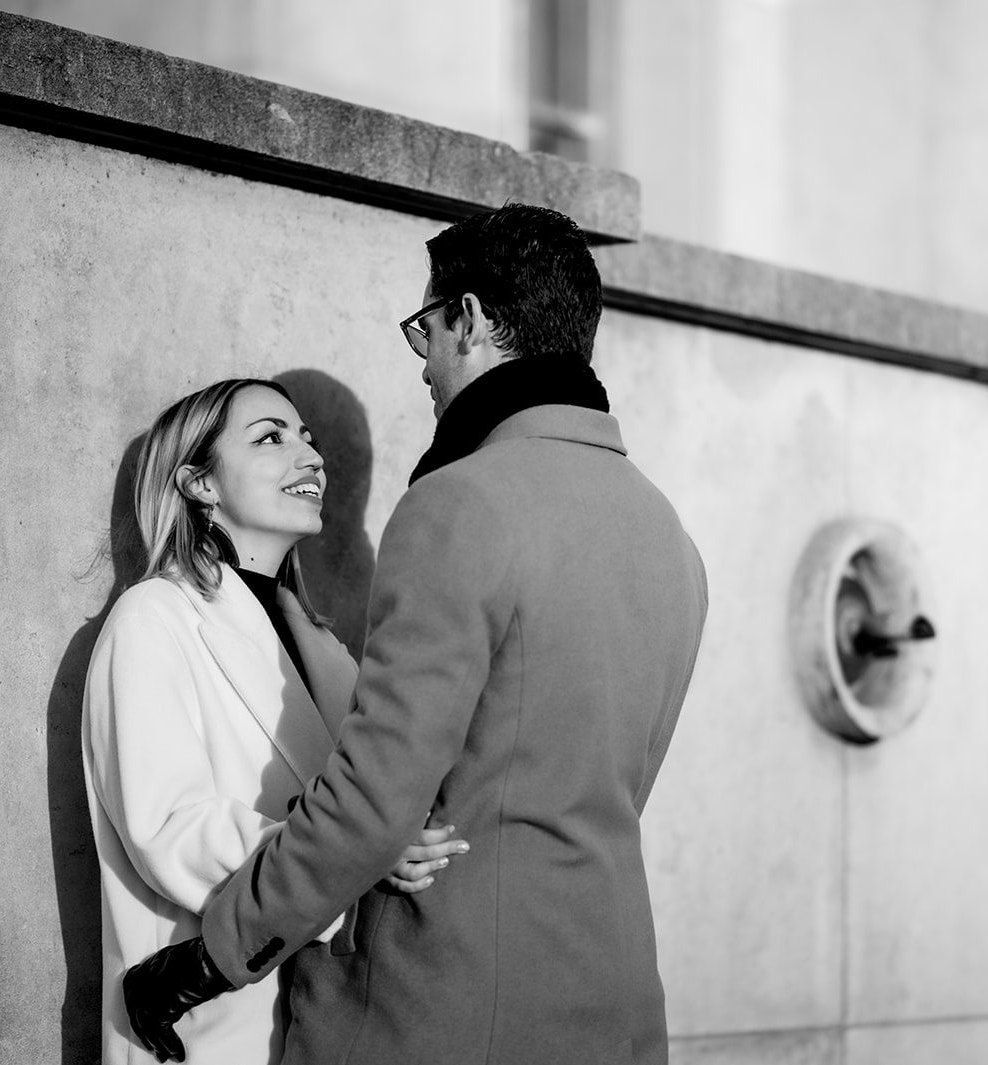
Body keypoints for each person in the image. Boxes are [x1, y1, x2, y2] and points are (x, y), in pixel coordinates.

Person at [125, 203, 710, 1064]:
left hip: (443, 1007)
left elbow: (374, 801)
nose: (424, 365)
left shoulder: (460, 505)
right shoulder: (669, 537)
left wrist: (207, 959)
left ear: (468, 320)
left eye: (424, 330)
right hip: (613, 1003)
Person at [83, 378, 467, 1065]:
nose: (311, 456)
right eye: (271, 437)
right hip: (208, 1028)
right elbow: (169, 827)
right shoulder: (153, 619)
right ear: (199, 483)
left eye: (308, 439)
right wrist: (353, 851)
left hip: (334, 1019)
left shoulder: (328, 649)